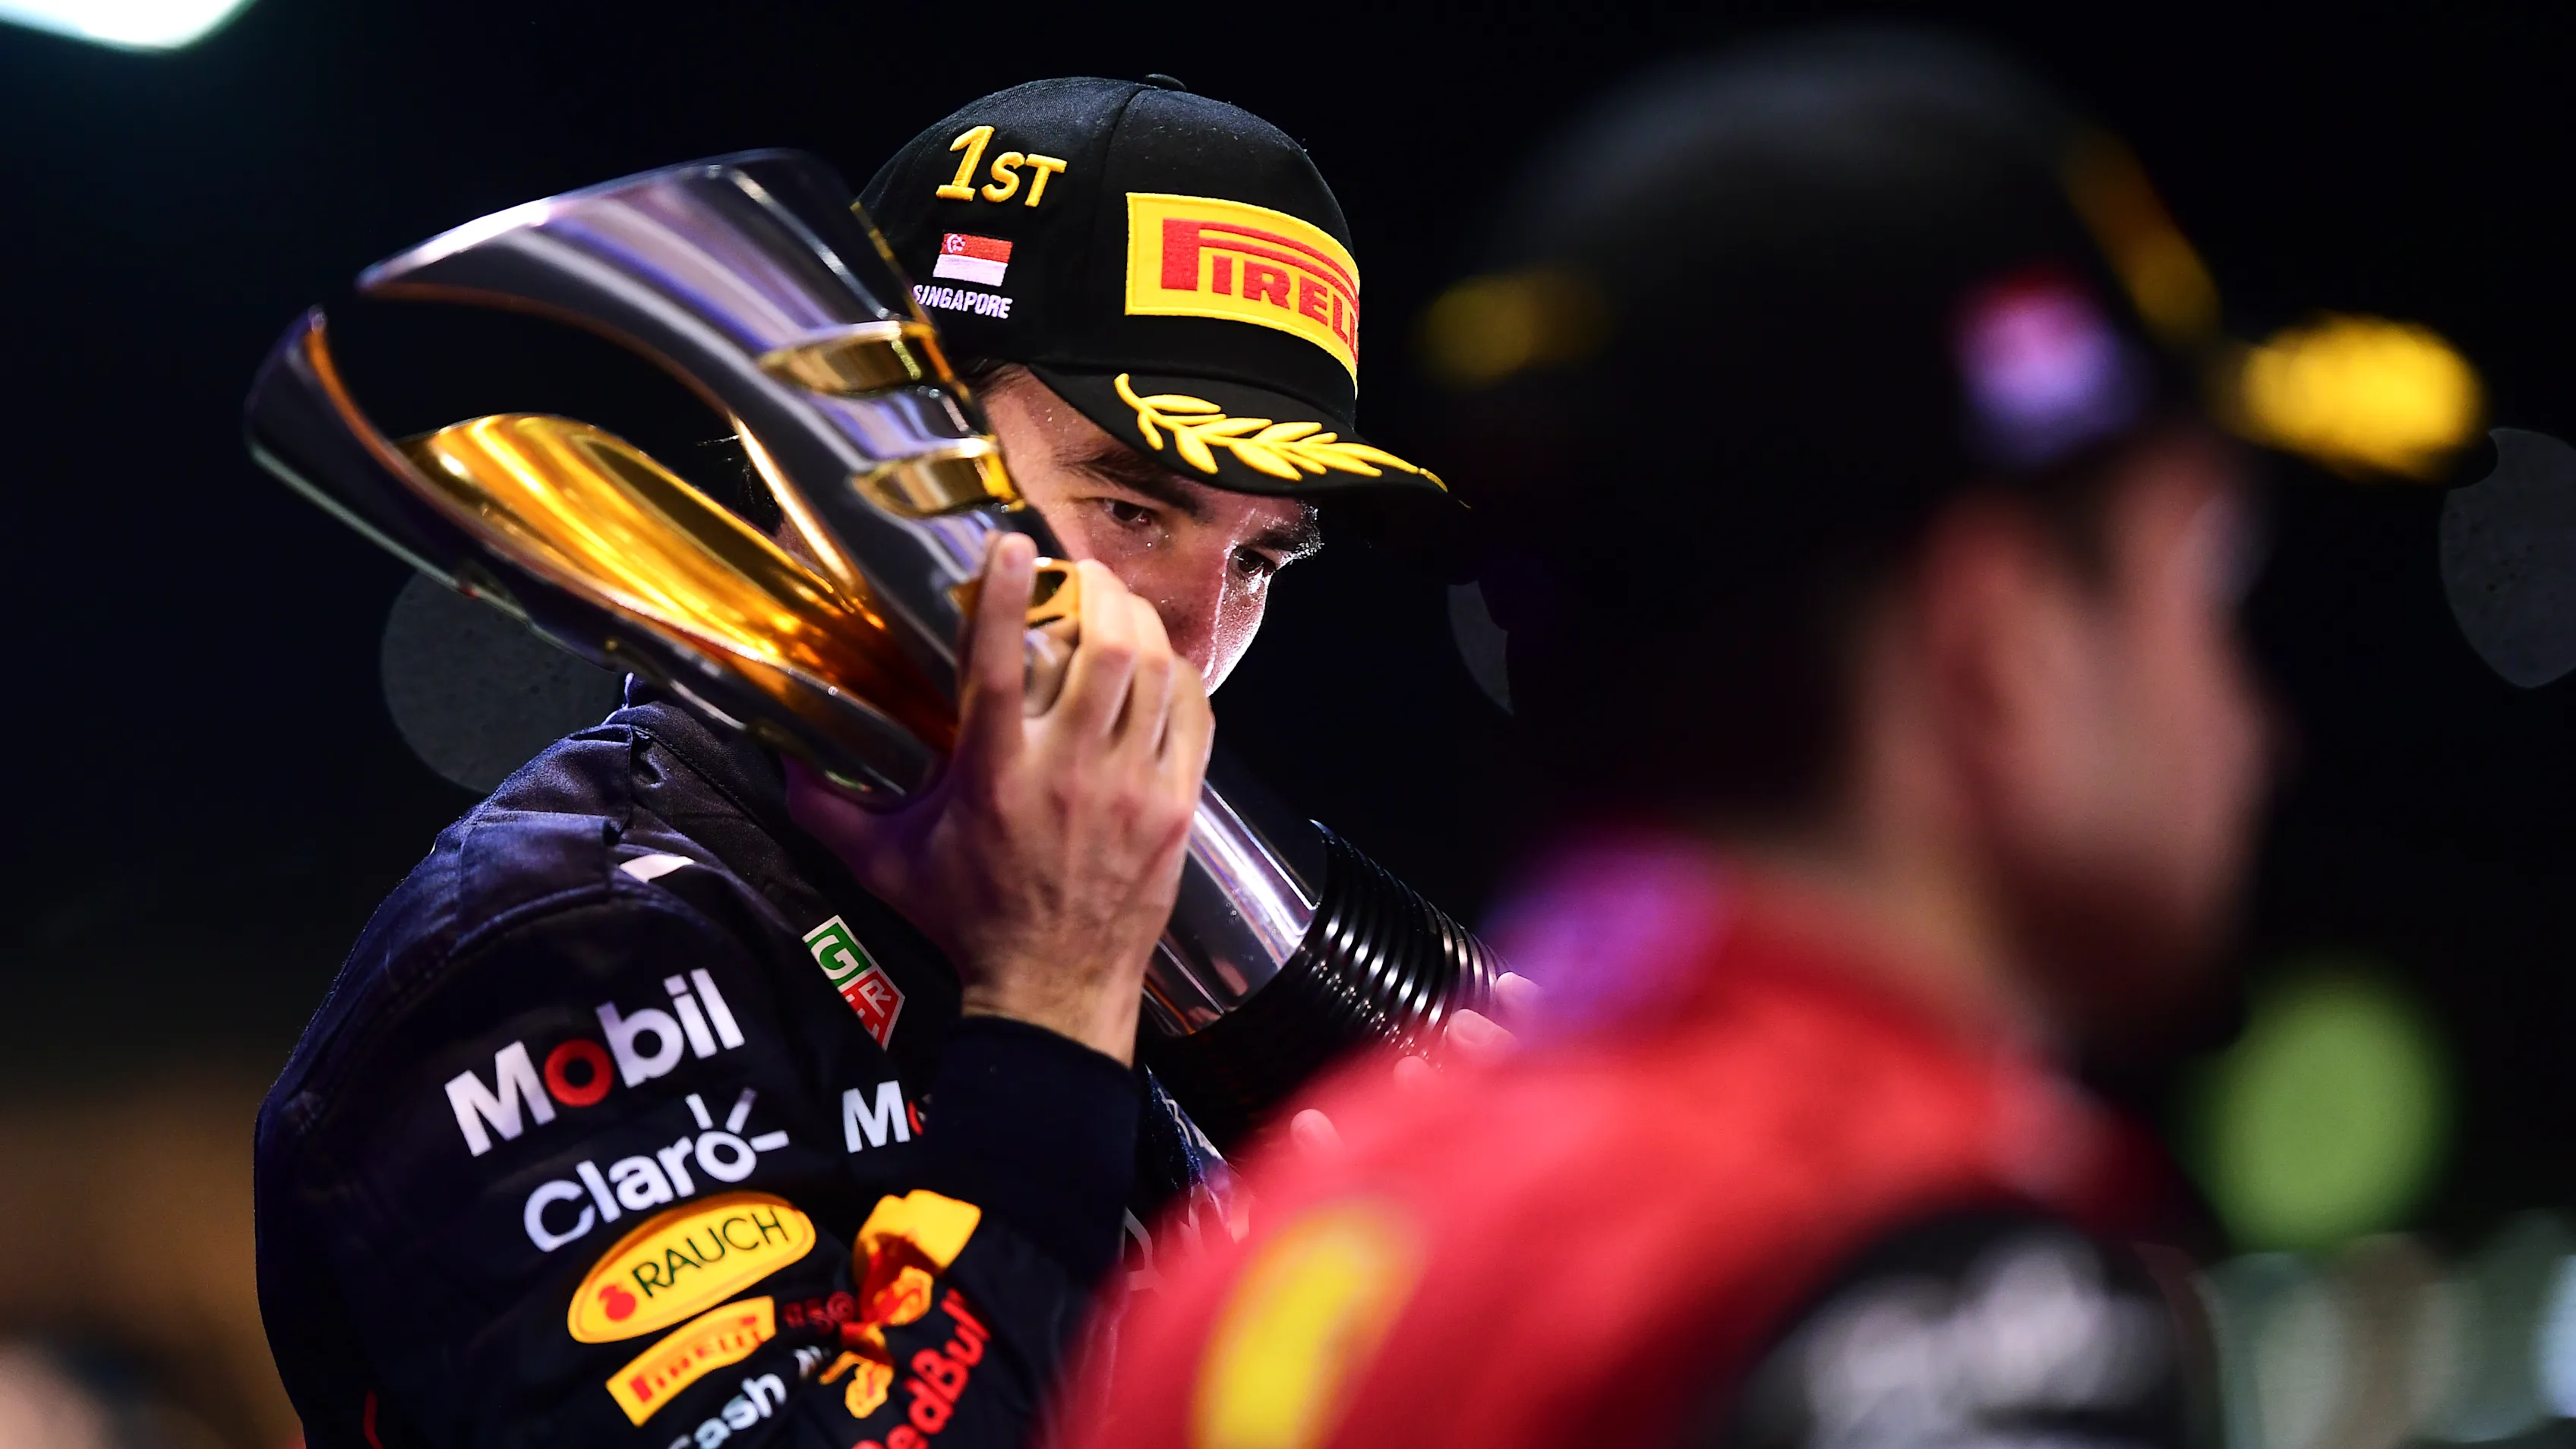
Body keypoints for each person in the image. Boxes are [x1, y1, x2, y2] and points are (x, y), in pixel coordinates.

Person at [1069, 33, 2271, 1449]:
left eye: (1265, 562)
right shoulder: (1957, 1293)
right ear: (1992, 641)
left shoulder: (1241, 1260)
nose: (2252, 723)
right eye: (2209, 591)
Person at [254, 75, 1449, 1449]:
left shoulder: (1172, 971)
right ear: (841, 456)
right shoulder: (564, 946)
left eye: (1254, 561)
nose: (1189, 637)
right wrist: (1052, 1008)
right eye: (1128, 504)